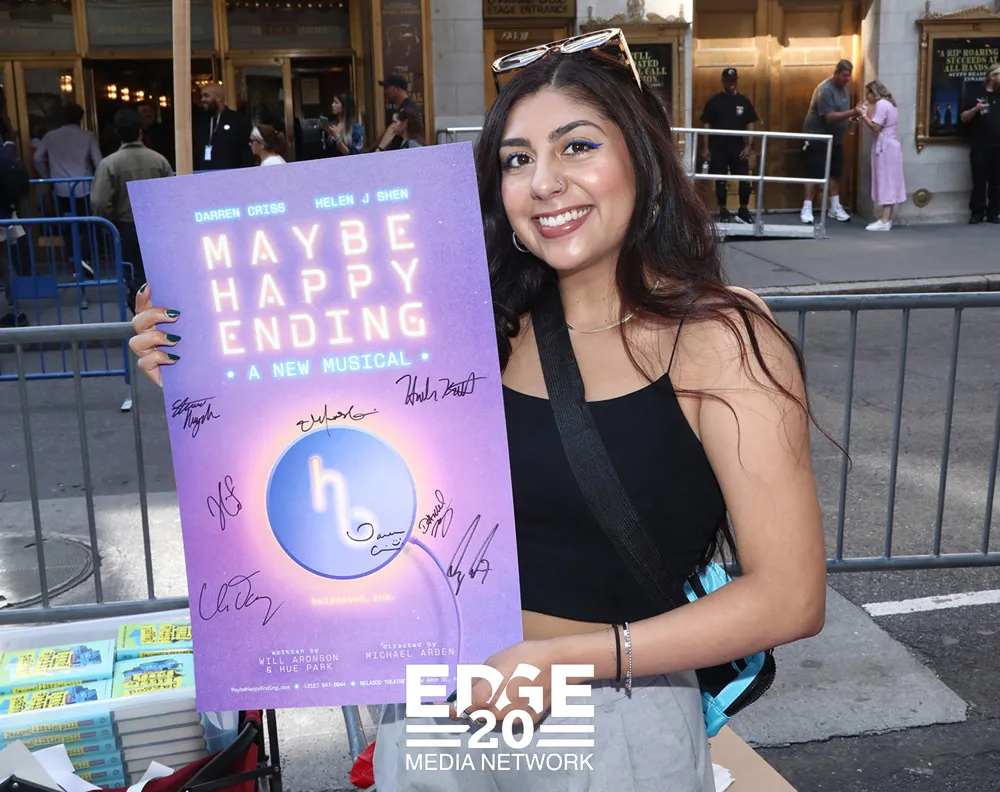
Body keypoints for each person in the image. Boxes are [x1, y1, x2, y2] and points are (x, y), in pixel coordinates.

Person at [128, 32, 827, 791]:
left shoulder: (721, 339)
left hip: (611, 717)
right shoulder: (471, 328)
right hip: (433, 711)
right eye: (517, 160)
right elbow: (337, 456)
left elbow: (789, 596)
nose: (545, 182)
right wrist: (207, 379)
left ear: (644, 158)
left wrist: (560, 661)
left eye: (577, 146)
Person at [89, 107, 173, 313]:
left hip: (125, 226)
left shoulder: (109, 164)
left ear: (117, 133)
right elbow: (171, 195)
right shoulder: (159, 160)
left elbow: (99, 202)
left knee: (133, 274)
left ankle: (141, 314)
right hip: (155, 225)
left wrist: (106, 223)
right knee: (158, 274)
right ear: (141, 132)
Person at [33, 103, 103, 275]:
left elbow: (37, 158)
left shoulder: (50, 137)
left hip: (61, 187)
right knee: (90, 224)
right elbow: (99, 161)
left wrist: (48, 177)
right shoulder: (88, 136)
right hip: (85, 186)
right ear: (80, 118)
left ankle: (73, 260)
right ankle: (85, 258)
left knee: (67, 227)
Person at [800, 60, 864, 224]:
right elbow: (829, 117)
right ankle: (807, 207)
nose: (847, 79)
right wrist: (853, 111)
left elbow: (843, 113)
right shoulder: (826, 89)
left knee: (835, 172)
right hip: (817, 136)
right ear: (836, 73)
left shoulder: (844, 89)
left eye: (849, 76)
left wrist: (852, 118)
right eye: (844, 76)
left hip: (835, 138)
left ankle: (834, 206)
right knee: (814, 172)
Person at [699, 67, 759, 223]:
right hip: (719, 147)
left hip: (738, 147)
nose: (732, 84)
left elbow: (750, 122)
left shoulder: (743, 101)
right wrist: (705, 147)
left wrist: (749, 145)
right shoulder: (714, 101)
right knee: (720, 180)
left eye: (734, 81)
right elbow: (706, 124)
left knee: (744, 180)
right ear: (723, 81)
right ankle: (723, 211)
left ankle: (743, 210)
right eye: (728, 81)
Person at [856, 81, 905, 232]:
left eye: (868, 94)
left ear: (874, 93)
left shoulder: (881, 104)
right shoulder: (890, 103)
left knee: (886, 180)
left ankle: (884, 220)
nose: (866, 97)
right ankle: (886, 218)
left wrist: (863, 115)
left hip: (885, 147)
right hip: (890, 145)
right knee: (889, 179)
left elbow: (876, 127)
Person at [960, 63, 1000, 224]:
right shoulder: (976, 94)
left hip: (998, 146)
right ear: (993, 77)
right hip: (980, 145)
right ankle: (977, 212)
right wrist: (975, 109)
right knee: (979, 181)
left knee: (997, 182)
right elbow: (963, 117)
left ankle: (994, 212)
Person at [0, 113, 30, 327]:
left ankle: (16, 309)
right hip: (4, 213)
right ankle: (16, 309)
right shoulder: (7, 151)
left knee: (4, 263)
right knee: (4, 262)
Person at [193, 83, 254, 172]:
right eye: (202, 96)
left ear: (219, 97)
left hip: (230, 175)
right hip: (203, 174)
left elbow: (246, 152)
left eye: (206, 96)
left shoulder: (238, 120)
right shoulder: (200, 122)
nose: (202, 100)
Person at [377, 74, 420, 151]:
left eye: (387, 88)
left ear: (397, 89)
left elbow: (392, 130)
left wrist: (379, 149)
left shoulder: (408, 108)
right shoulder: (402, 108)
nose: (385, 91)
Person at [320, 93, 364, 157]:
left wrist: (336, 137)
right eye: (333, 102)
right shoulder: (332, 125)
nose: (332, 105)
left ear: (344, 106)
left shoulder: (356, 128)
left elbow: (354, 154)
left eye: (336, 102)